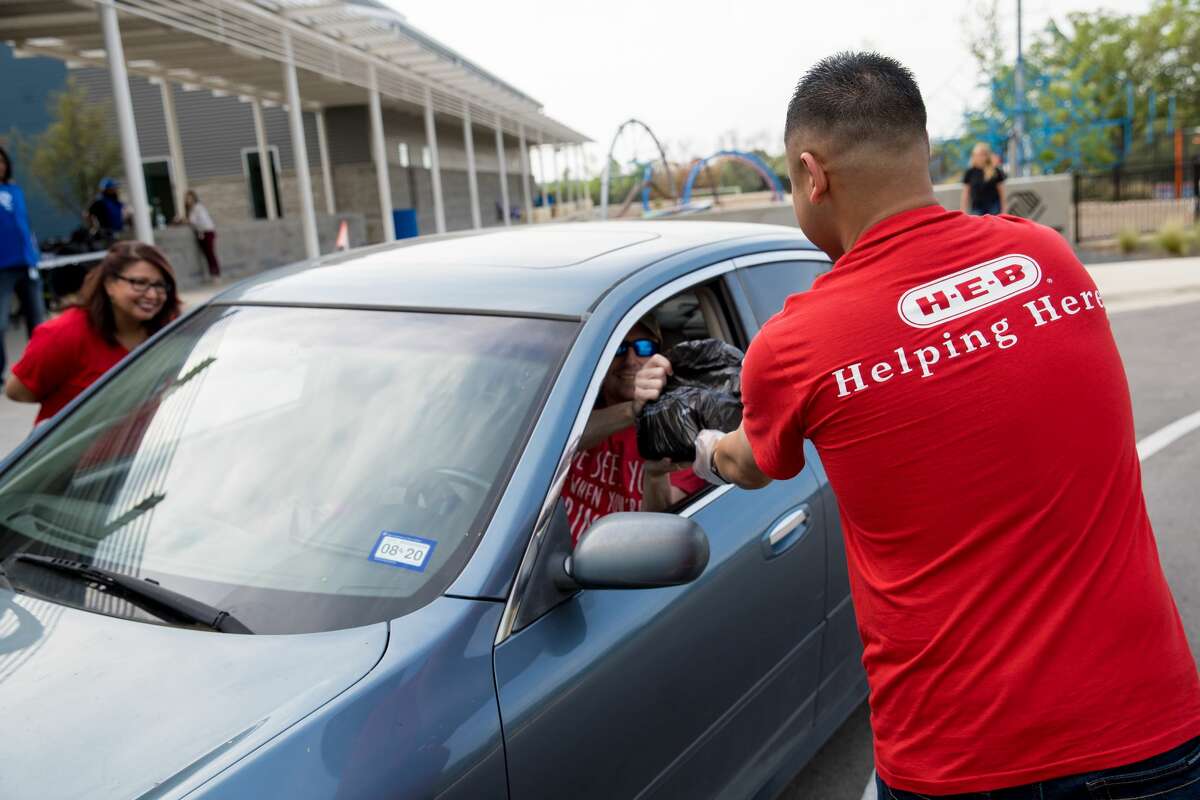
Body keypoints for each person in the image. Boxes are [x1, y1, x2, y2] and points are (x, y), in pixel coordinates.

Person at [690, 52, 1200, 797]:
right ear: (922, 152)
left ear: (811, 174)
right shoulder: (1046, 259)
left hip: (959, 761)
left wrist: (695, 435)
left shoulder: (796, 345)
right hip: (1145, 734)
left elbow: (747, 463)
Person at [562, 317, 705, 542]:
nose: (630, 360)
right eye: (619, 348)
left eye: (644, 347)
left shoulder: (679, 427)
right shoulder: (576, 403)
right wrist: (632, 410)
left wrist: (655, 476)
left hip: (618, 563)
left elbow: (662, 526)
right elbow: (558, 443)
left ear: (661, 359)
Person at [6, 241, 179, 423]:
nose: (152, 295)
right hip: (74, 448)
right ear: (109, 284)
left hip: (143, 447)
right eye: (139, 283)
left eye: (160, 286)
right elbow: (18, 391)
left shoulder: (171, 330)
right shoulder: (64, 333)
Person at [0, 145, 47, 379]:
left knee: (37, 322)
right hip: (2, 269)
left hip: (27, 264)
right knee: (0, 324)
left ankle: (38, 368)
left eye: (2, 161)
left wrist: (34, 254)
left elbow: (24, 225)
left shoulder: (15, 190)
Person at [960, 141, 1006, 215]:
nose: (980, 157)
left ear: (987, 156)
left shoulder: (995, 170)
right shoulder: (970, 172)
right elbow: (965, 193)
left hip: (994, 207)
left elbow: (1002, 193)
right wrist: (963, 210)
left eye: (982, 155)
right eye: (977, 155)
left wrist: (1004, 210)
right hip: (977, 208)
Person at [184, 190, 220, 280]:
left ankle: (216, 274)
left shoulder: (198, 207)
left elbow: (201, 221)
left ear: (194, 198)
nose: (188, 200)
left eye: (189, 198)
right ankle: (212, 274)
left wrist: (188, 221)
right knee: (207, 254)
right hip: (201, 233)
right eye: (186, 198)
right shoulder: (191, 210)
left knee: (210, 253)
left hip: (207, 232)